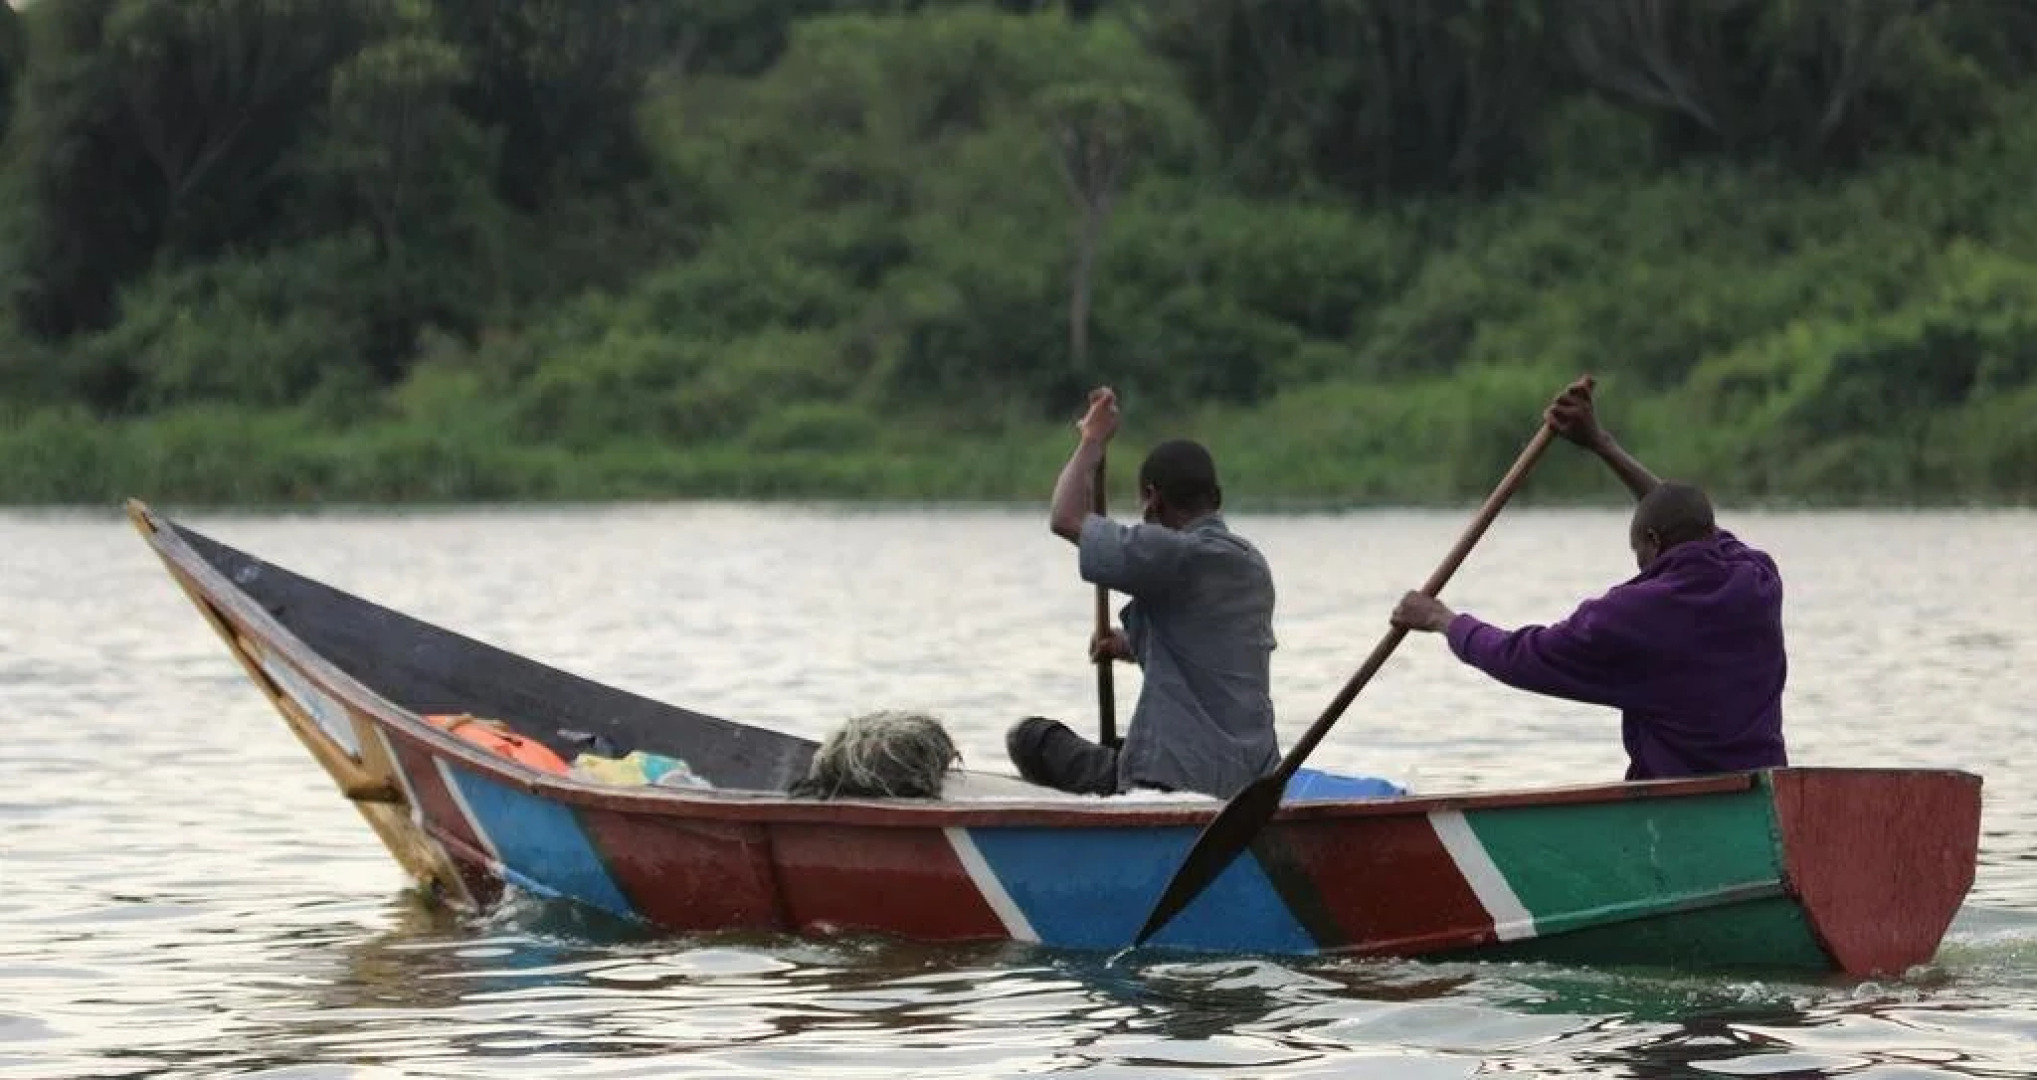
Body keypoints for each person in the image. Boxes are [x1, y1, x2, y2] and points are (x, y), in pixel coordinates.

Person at [1389, 376, 1788, 781]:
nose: (1642, 569)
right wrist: (1602, 444)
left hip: (1678, 810)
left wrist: (1443, 620)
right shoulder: (1757, 578)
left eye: (1640, 556)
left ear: (1651, 541)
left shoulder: (1631, 616)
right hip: (1766, 788)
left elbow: (1520, 657)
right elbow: (1686, 517)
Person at [1005, 387, 1281, 799]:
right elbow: (1206, 647)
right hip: (1252, 777)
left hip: (1172, 778)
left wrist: (1092, 441)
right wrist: (1127, 646)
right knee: (1116, 746)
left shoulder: (1171, 552)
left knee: (1030, 738)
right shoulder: (1251, 564)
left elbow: (1065, 517)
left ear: (1152, 500)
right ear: (1217, 500)